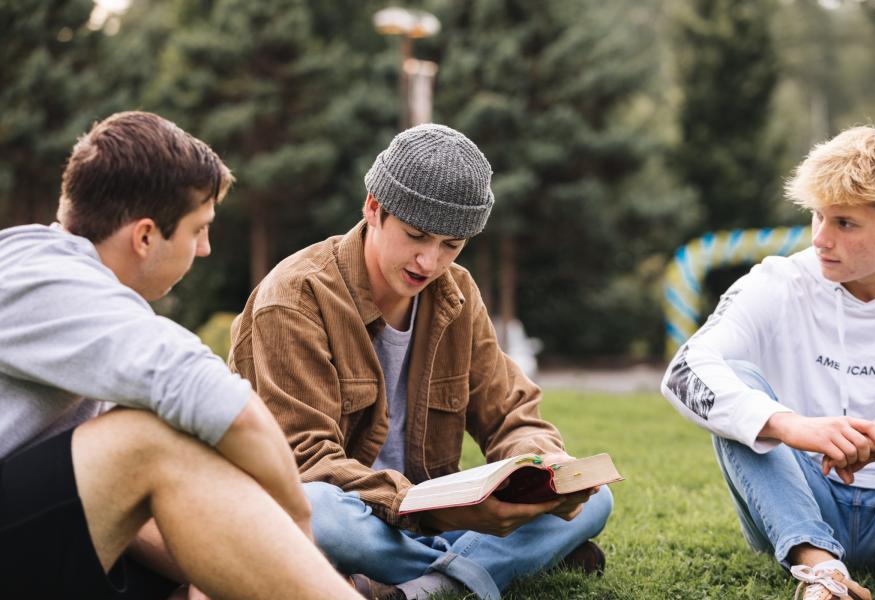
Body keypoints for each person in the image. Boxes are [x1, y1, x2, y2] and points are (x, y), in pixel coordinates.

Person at [230, 124, 614, 600]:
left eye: (451, 246)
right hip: (353, 513)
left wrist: (543, 465)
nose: (430, 263)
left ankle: (418, 586)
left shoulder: (458, 293)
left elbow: (510, 413)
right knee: (321, 513)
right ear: (374, 207)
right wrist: (434, 513)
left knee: (597, 501)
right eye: (417, 236)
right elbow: (306, 464)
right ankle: (486, 565)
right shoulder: (294, 299)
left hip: (424, 520)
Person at [0, 111, 359, 600]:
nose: (206, 248)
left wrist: (239, 564)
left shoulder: (64, 283)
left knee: (156, 434)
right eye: (198, 229)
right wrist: (299, 525)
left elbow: (119, 494)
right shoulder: (47, 279)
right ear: (146, 236)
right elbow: (221, 402)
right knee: (150, 438)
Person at [661, 125, 875, 600]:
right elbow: (685, 371)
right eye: (817, 217)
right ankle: (821, 573)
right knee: (740, 389)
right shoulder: (778, 281)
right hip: (799, 501)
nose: (820, 239)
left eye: (844, 224)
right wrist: (788, 425)